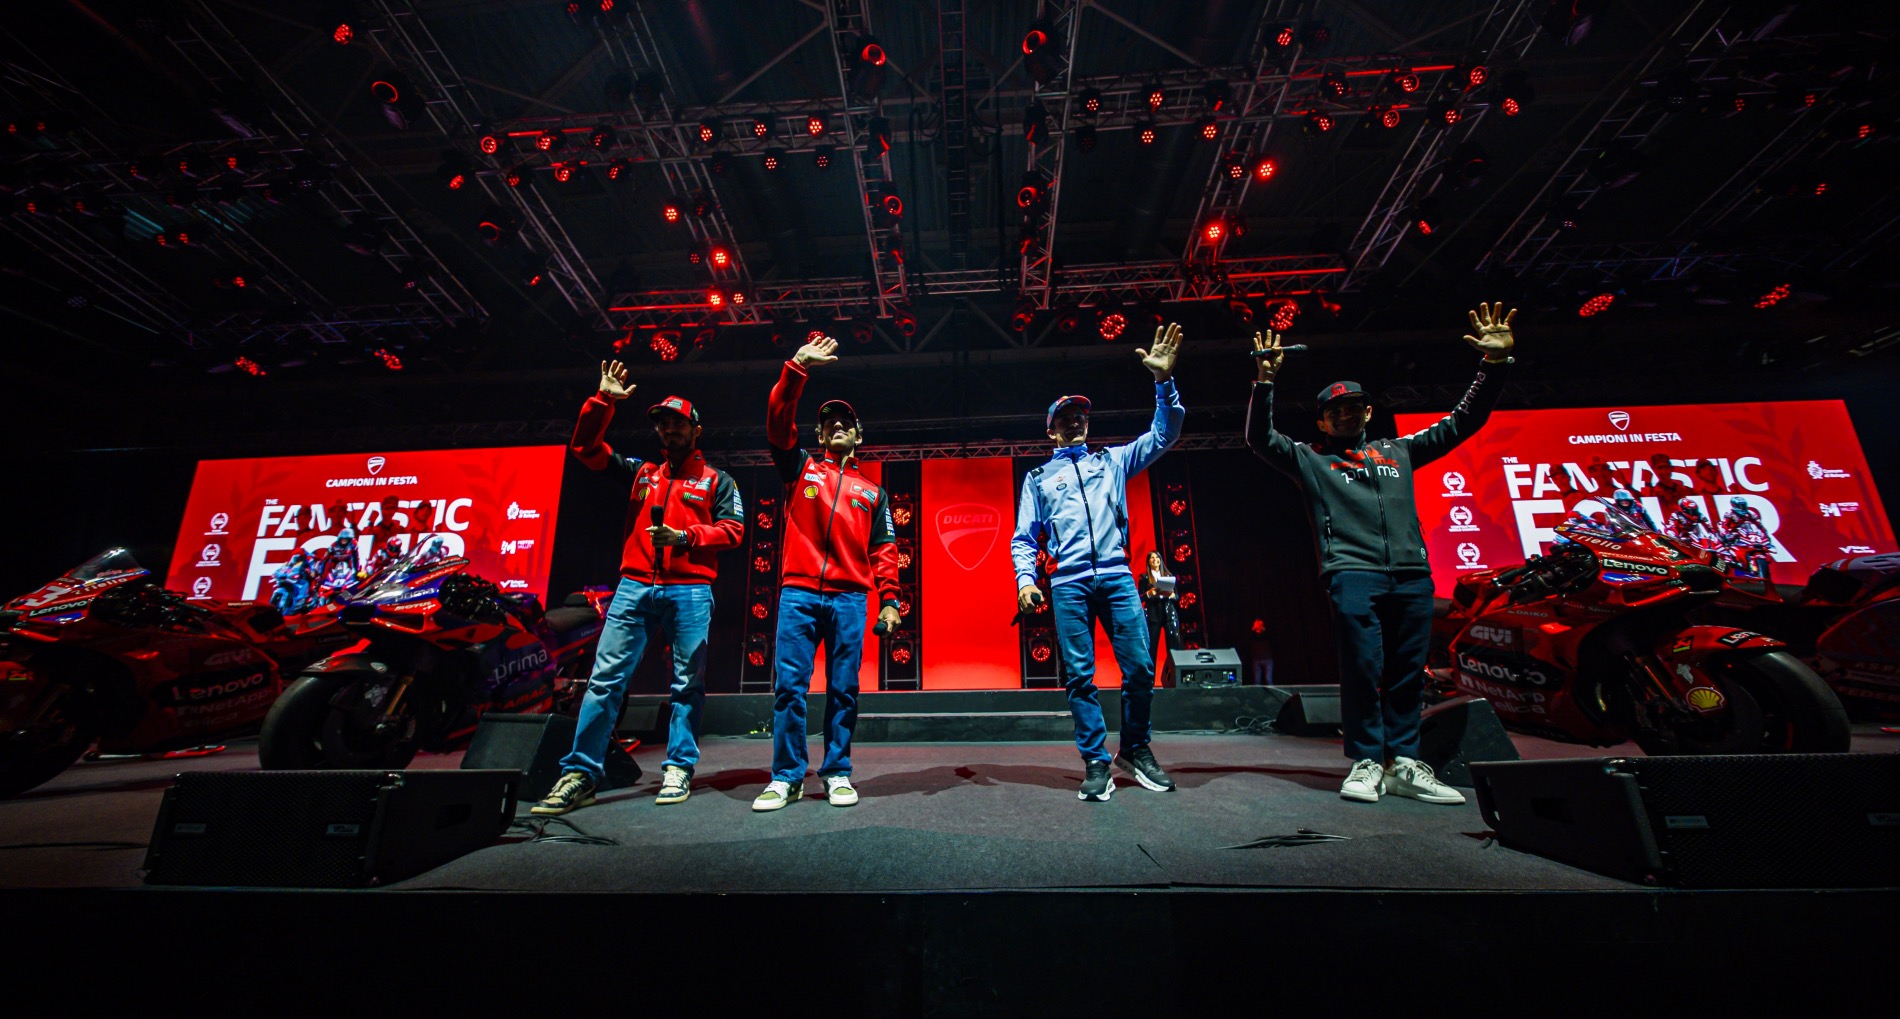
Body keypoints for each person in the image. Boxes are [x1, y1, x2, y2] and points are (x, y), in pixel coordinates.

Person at [1246, 303, 1518, 806]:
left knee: (1408, 674)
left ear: (1368, 413)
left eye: (1354, 407)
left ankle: (1405, 763)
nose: (1345, 414)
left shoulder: (1400, 451)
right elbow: (1259, 438)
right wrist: (1265, 382)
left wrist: (1493, 365)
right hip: (1352, 573)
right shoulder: (1311, 459)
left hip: (1412, 574)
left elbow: (1464, 421)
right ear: (1322, 421)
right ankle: (1368, 760)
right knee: (1363, 669)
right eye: (1335, 411)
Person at [534, 360, 744, 816]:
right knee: (604, 680)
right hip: (633, 587)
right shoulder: (641, 473)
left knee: (687, 683)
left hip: (690, 590)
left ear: (696, 430)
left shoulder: (718, 480)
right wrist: (602, 401)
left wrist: (685, 537)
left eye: (677, 423)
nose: (669, 429)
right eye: (663, 423)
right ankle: (581, 774)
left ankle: (679, 767)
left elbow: (733, 530)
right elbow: (585, 447)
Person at [1012, 322, 1186, 802]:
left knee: (1140, 667)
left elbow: (1165, 433)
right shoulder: (1039, 479)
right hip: (1068, 584)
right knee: (1079, 676)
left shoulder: (1112, 461)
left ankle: (1135, 749)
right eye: (1065, 417)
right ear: (1051, 429)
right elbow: (1024, 538)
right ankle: (1094, 760)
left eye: (1080, 415)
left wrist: (1163, 381)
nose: (1075, 422)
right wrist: (1025, 580)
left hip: (1116, 577)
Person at [752, 335, 903, 812]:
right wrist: (796, 367)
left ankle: (837, 772)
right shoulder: (800, 469)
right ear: (819, 436)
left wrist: (891, 600)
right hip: (798, 593)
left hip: (849, 600)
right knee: (789, 689)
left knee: (844, 690)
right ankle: (787, 776)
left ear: (858, 436)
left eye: (846, 423)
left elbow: (884, 550)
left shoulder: (872, 492)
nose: (837, 426)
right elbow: (778, 422)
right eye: (828, 423)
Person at [1139, 549, 1182, 659]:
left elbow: (1177, 596)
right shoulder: (1144, 578)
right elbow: (1140, 597)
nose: (1155, 560)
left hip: (1169, 613)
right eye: (1152, 558)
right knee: (1151, 647)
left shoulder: (1168, 576)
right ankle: (1150, 670)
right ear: (1148, 561)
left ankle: (1174, 668)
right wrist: (1149, 593)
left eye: (1157, 557)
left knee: (1174, 646)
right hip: (1153, 614)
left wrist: (1173, 596)